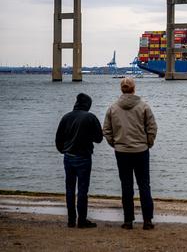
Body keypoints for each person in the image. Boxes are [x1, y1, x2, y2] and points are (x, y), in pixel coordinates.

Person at [103, 77, 157, 230]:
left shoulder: (112, 108)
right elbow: (152, 128)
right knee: (144, 185)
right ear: (134, 88)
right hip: (141, 151)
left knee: (126, 186)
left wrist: (115, 144)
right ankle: (147, 221)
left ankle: (128, 221)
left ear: (122, 89)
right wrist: (148, 143)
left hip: (121, 152)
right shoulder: (144, 107)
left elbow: (106, 130)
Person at [55, 93, 103, 228]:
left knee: (69, 189)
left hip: (68, 157)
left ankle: (71, 220)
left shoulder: (66, 117)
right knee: (82, 190)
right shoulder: (90, 117)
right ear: (88, 104)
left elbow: (58, 139)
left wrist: (63, 150)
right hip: (84, 158)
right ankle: (82, 220)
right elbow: (99, 138)